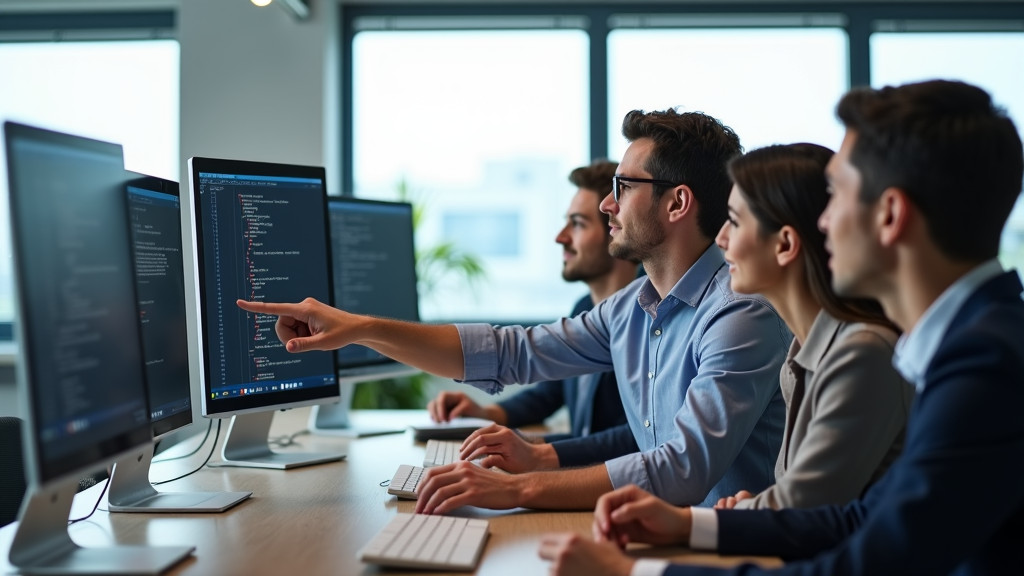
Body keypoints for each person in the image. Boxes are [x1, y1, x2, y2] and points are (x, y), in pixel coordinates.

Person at [538, 79, 1024, 576]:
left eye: (835, 195)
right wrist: (694, 527)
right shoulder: (973, 342)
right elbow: (865, 519)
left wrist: (633, 572)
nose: (823, 220)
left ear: (891, 214)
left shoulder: (985, 364)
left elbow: (870, 561)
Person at [237, 108, 791, 514]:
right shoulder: (631, 309)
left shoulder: (739, 312)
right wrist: (357, 329)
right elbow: (513, 352)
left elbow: (682, 469)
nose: (607, 203)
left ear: (677, 202)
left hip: (727, 550)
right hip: (664, 532)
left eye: (623, 187)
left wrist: (518, 487)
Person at [703, 143, 914, 511]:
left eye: (734, 222)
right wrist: (759, 506)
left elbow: (803, 508)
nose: (721, 238)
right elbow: (800, 498)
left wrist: (721, 519)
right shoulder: (804, 350)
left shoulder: (862, 351)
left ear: (785, 244)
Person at [427, 159, 636, 442]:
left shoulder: (644, 320)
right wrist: (487, 414)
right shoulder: (584, 309)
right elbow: (553, 391)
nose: (560, 237)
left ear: (615, 228)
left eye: (577, 224)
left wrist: (537, 451)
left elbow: (635, 440)